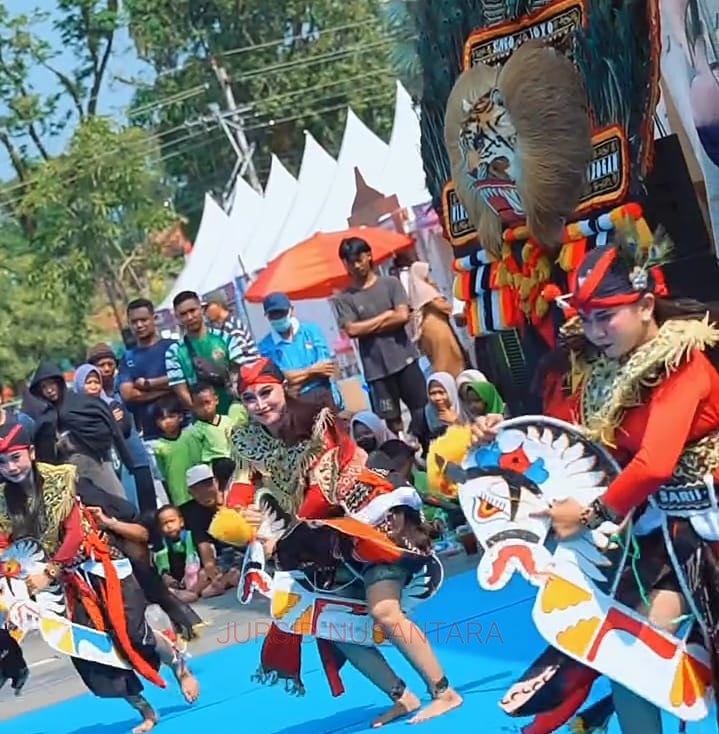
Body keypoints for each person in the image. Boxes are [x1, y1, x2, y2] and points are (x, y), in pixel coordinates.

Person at [471, 236, 719, 734]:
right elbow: (569, 439)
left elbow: (653, 465)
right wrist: (501, 435)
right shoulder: (606, 372)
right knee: (627, 656)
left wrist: (590, 516)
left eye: (606, 316)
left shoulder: (682, 364)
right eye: (586, 319)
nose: (594, 331)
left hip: (707, 532)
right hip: (659, 535)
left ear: (645, 305)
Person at [231, 358, 462, 724]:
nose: (260, 404)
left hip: (378, 525)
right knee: (331, 623)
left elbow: (321, 495)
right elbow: (241, 487)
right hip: (332, 541)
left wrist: (279, 534)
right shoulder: (252, 440)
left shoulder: (317, 423)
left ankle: (444, 692)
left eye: (266, 392)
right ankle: (402, 697)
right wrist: (241, 520)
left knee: (384, 611)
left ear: (282, 388)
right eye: (249, 398)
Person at [0, 421, 200, 731]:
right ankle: (145, 710)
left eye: (15, 457)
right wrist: (12, 578)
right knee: (91, 650)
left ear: (31, 452)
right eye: (2, 462)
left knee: (134, 634)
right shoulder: (3, 500)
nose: (10, 467)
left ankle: (179, 666)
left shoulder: (60, 479)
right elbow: (6, 547)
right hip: (64, 584)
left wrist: (49, 572)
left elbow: (73, 535)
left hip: (102, 565)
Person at [335, 237, 427, 436]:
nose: (356, 266)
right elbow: (352, 330)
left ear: (369, 256)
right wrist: (386, 316)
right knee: (391, 421)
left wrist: (368, 325)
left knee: (421, 410)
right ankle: (402, 450)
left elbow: (402, 316)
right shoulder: (345, 299)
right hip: (376, 370)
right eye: (350, 262)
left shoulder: (390, 284)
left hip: (405, 359)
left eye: (359, 259)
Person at [88, 343, 157, 514]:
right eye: (101, 365)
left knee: (149, 508)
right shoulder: (90, 395)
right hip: (113, 462)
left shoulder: (123, 387)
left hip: (137, 456)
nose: (106, 369)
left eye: (110, 364)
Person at [165, 290, 259, 415]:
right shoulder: (174, 352)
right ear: (177, 318)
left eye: (193, 310)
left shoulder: (226, 339)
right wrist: (206, 415)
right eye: (183, 314)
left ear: (201, 309)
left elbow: (241, 376)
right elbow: (181, 390)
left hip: (237, 412)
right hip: (203, 420)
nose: (190, 317)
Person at [258, 291, 344, 408]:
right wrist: (313, 371)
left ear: (291, 310)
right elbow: (280, 379)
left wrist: (295, 381)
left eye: (281, 313)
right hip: (296, 402)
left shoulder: (311, 331)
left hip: (324, 393)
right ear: (267, 317)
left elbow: (326, 368)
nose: (278, 318)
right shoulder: (265, 347)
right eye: (273, 315)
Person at [118, 299, 177, 442]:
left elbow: (186, 377)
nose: (139, 325)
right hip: (152, 436)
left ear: (154, 318)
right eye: (134, 322)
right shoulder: (128, 358)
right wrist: (168, 389)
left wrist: (148, 385)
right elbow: (128, 394)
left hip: (185, 426)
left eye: (143, 320)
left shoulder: (173, 347)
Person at [181, 464, 241, 598]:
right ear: (191, 493)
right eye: (197, 490)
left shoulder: (233, 499)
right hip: (224, 556)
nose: (204, 493)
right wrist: (212, 572)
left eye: (207, 485)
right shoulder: (196, 513)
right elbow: (204, 545)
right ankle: (194, 593)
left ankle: (223, 582)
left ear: (216, 483)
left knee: (236, 571)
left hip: (246, 550)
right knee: (204, 574)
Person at [407, 262, 466, 378]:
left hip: (430, 329)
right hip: (437, 328)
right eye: (427, 273)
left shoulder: (419, 289)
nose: (429, 276)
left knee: (440, 358)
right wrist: (459, 311)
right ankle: (450, 382)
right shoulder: (424, 289)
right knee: (446, 357)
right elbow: (439, 305)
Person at [154, 505, 205, 603]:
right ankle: (184, 593)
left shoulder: (190, 536)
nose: (169, 526)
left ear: (181, 522)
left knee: (204, 574)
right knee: (162, 583)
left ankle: (194, 592)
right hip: (178, 579)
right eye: (164, 523)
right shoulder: (164, 544)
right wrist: (168, 578)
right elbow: (163, 566)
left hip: (195, 572)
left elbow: (194, 560)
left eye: (172, 521)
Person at [190, 383, 248, 463]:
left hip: (232, 459)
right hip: (213, 463)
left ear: (216, 400)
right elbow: (197, 456)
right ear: (194, 407)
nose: (205, 408)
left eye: (207, 402)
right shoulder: (196, 430)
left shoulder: (227, 421)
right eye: (200, 405)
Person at [412, 372, 461, 454]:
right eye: (433, 393)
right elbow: (418, 444)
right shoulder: (422, 416)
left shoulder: (463, 410)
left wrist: (456, 422)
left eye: (441, 392)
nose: (437, 398)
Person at [0, 628, 29, 695]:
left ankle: (18, 688)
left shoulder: (8, 640)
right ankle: (18, 688)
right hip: (18, 666)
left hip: (5, 669)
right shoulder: (11, 639)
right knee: (24, 673)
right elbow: (19, 651)